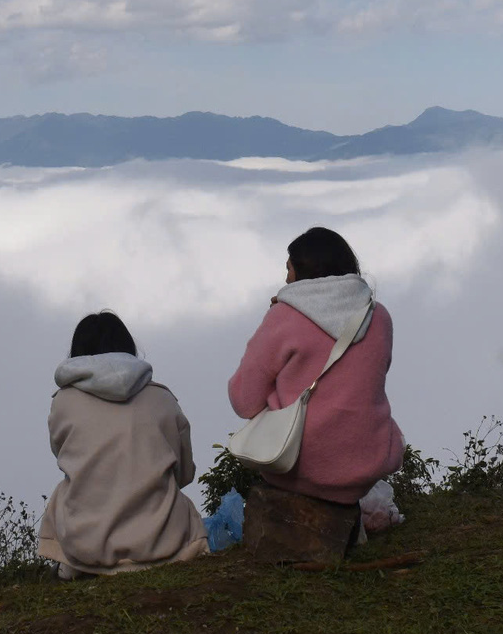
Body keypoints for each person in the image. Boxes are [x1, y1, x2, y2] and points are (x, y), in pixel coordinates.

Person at [228, 226, 404, 505]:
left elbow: (243, 401)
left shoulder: (283, 317)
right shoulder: (379, 317)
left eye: (288, 270)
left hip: (299, 467)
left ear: (303, 273)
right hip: (366, 461)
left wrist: (275, 319)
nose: (286, 280)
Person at [38, 311, 210, 578]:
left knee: (63, 492)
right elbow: (184, 473)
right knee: (181, 502)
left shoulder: (63, 402)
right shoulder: (163, 399)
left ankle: (70, 569)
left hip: (88, 547)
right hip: (161, 542)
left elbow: (64, 458)